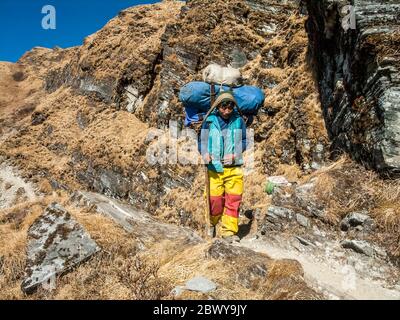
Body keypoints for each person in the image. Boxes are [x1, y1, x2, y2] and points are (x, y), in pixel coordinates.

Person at [198, 91, 247, 243]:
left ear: (233, 107)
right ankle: (212, 224)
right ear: (217, 106)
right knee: (215, 201)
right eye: (223, 107)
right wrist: (205, 153)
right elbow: (202, 141)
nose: (226, 111)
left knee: (234, 199)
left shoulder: (239, 121)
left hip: (234, 167)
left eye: (229, 108)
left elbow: (244, 141)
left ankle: (229, 232)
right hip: (214, 168)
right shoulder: (209, 121)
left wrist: (235, 155)